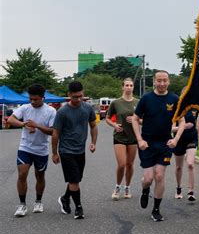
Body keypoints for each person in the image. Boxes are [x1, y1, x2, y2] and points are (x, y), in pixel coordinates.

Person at [131, 71, 185, 222]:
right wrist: (139, 139)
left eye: (164, 81)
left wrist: (176, 139)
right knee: (148, 178)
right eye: (159, 81)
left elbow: (182, 122)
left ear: (169, 81)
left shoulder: (174, 99)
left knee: (159, 175)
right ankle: (145, 189)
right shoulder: (146, 98)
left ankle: (156, 209)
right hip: (147, 143)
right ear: (154, 82)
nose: (162, 84)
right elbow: (135, 119)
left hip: (165, 143)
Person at [8, 84, 56, 217]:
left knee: (40, 176)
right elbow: (11, 119)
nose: (33, 102)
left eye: (36, 99)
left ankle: (38, 201)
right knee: (22, 174)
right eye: (31, 99)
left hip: (41, 149)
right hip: (25, 147)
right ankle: (22, 205)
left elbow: (53, 131)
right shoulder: (24, 108)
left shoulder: (51, 111)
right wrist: (23, 124)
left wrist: (37, 126)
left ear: (43, 98)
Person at [52, 81, 98, 220]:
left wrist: (93, 143)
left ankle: (65, 198)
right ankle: (79, 208)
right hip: (66, 150)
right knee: (74, 181)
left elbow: (93, 125)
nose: (78, 99)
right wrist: (55, 153)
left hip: (80, 150)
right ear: (69, 95)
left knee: (76, 179)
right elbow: (55, 134)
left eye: (80, 96)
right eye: (75, 97)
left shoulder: (87, 108)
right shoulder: (62, 112)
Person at [106, 78, 139, 200]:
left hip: (133, 137)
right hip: (119, 136)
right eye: (127, 85)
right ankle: (117, 187)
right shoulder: (116, 103)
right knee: (122, 164)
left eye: (131, 85)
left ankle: (127, 187)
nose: (129, 87)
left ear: (133, 87)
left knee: (130, 164)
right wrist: (114, 125)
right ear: (122, 87)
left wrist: (136, 120)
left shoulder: (138, 102)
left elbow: (144, 120)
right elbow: (108, 118)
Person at [172, 107, 199, 201]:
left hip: (192, 139)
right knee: (179, 167)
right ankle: (178, 188)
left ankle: (191, 191)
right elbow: (171, 129)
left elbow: (197, 122)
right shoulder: (176, 110)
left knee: (190, 164)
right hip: (178, 141)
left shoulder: (195, 108)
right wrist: (183, 126)